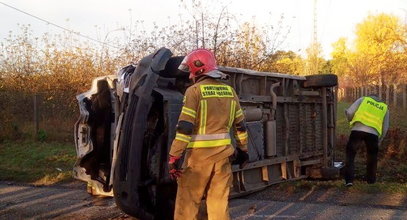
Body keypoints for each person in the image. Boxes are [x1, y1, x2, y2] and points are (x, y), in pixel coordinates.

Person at [168, 49, 249, 220]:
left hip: (198, 161)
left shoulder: (194, 91)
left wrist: (174, 156)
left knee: (187, 208)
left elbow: (184, 128)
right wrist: (243, 150)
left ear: (197, 69)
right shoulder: (230, 91)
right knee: (219, 207)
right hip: (223, 160)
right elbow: (240, 126)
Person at [344, 94, 389, 186]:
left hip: (357, 130)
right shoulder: (385, 108)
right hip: (373, 134)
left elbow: (349, 113)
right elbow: (385, 128)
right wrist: (380, 140)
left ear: (370, 96)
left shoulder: (363, 99)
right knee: (372, 158)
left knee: (350, 155)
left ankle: (349, 180)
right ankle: (370, 181)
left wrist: (349, 119)